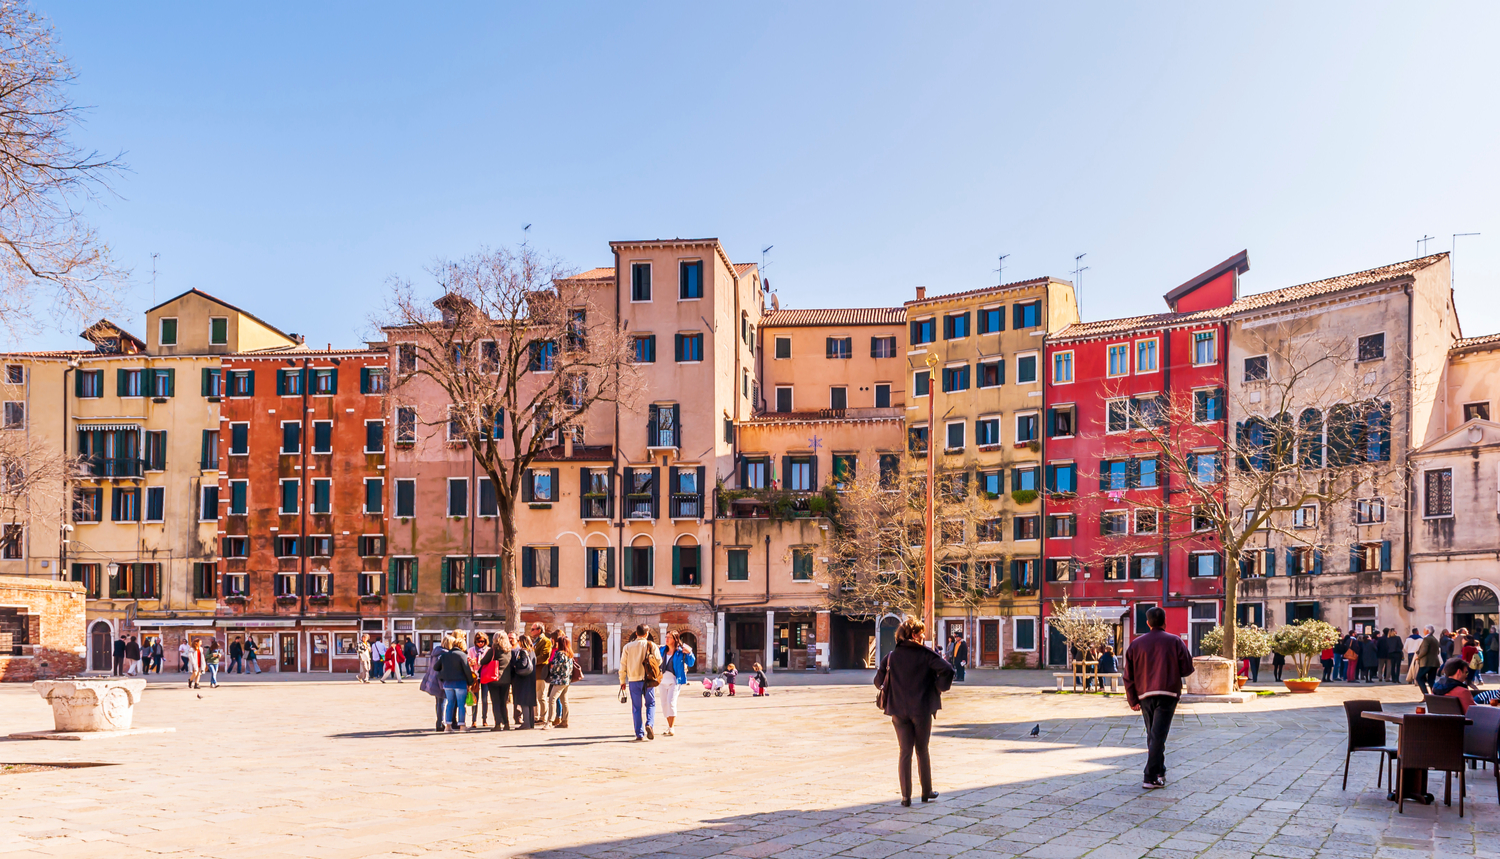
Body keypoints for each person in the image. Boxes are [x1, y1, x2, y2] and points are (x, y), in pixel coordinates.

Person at [874, 618, 954, 807]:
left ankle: (905, 797)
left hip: (898, 711)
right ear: (914, 635)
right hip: (921, 709)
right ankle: (926, 792)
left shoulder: (891, 656)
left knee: (904, 752)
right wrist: (938, 687)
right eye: (922, 632)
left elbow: (878, 682)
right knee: (922, 750)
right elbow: (948, 670)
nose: (924, 636)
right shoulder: (926, 655)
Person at [1122, 606, 1195, 790]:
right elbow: (1187, 668)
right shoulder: (1175, 641)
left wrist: (1132, 699)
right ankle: (1150, 776)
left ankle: (1160, 770)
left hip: (1145, 694)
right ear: (1165, 621)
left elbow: (1128, 675)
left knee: (1153, 734)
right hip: (1168, 693)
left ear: (1147, 623)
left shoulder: (1135, 645)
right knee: (1158, 735)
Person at [617, 624, 661, 741]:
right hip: (649, 680)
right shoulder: (651, 645)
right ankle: (649, 724)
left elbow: (623, 665)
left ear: (636, 633)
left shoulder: (627, 647)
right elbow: (659, 661)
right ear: (647, 634)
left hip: (633, 680)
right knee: (650, 704)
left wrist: (622, 681)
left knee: (636, 707)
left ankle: (639, 733)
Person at [432, 634, 474, 731]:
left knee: (450, 703)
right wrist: (470, 682)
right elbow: (467, 670)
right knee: (460, 705)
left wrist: (443, 674)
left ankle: (448, 726)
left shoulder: (444, 655)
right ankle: (462, 726)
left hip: (447, 684)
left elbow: (435, 667)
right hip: (460, 683)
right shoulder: (462, 655)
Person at [656, 630, 694, 737]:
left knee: (671, 702)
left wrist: (689, 653)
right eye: (666, 637)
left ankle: (672, 727)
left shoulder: (680, 651)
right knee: (664, 704)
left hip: (674, 680)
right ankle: (668, 726)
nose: (667, 639)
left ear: (675, 639)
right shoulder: (662, 650)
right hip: (662, 680)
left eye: (669, 637)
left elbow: (691, 662)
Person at [480, 632, 513, 731]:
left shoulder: (493, 650)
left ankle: (498, 724)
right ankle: (506, 723)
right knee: (503, 702)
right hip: (506, 679)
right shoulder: (509, 650)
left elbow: (483, 661)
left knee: (496, 702)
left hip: (494, 678)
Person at [419, 634, 450, 732]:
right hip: (440, 681)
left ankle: (439, 722)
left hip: (434, 680)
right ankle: (441, 722)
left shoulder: (436, 652)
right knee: (442, 702)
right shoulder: (443, 654)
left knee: (439, 702)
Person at [546, 635, 575, 729]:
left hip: (558, 680)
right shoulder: (569, 654)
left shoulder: (559, 654)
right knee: (564, 700)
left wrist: (551, 669)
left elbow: (556, 667)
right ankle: (565, 721)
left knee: (552, 699)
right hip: (567, 680)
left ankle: (549, 721)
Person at [510, 634, 537, 729]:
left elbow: (523, 663)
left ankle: (526, 723)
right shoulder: (532, 652)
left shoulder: (523, 652)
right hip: (531, 678)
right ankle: (531, 722)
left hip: (523, 679)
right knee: (530, 701)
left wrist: (515, 664)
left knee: (524, 701)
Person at [531, 624, 553, 725]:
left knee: (541, 696)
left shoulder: (546, 641)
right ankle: (536, 717)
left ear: (539, 630)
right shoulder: (535, 641)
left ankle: (543, 717)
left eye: (533, 629)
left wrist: (531, 661)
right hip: (534, 673)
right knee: (535, 696)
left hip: (542, 672)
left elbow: (544, 656)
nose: (531, 631)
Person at [467, 633, 489, 727]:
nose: (480, 643)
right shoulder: (471, 650)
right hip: (475, 676)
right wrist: (471, 662)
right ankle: (474, 720)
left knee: (484, 698)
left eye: (482, 641)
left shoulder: (488, 650)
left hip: (485, 675)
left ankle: (484, 719)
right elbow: (468, 662)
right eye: (478, 641)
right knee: (475, 698)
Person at [1415, 625, 1441, 695]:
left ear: (1427, 631)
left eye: (1424, 630)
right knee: (1431, 680)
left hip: (1426, 662)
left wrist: (1418, 657)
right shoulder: (1435, 639)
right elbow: (1438, 651)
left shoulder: (1426, 639)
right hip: (1434, 662)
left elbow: (1424, 650)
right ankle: (1434, 694)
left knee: (1419, 678)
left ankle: (1425, 694)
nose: (1423, 631)